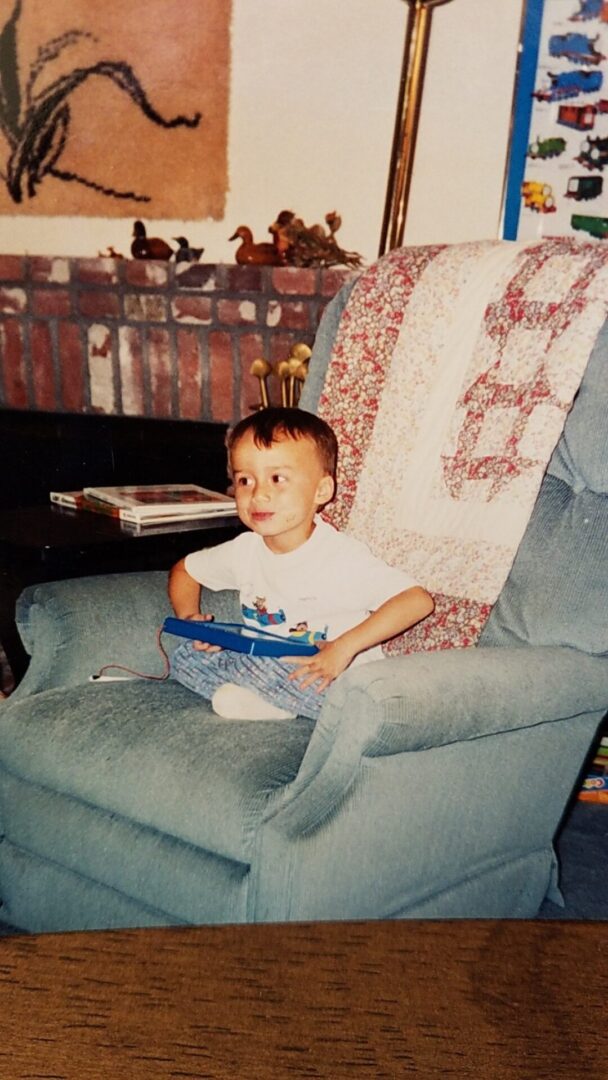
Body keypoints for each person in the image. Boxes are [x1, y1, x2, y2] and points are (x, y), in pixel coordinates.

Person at [168, 407, 434, 721]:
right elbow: (185, 570)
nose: (259, 494)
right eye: (245, 480)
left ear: (321, 490)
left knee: (337, 693)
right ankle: (266, 696)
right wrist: (192, 619)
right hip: (267, 663)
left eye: (277, 478)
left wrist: (343, 648)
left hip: (334, 674)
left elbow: (417, 601)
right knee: (185, 655)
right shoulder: (245, 550)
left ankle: (272, 700)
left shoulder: (340, 558)